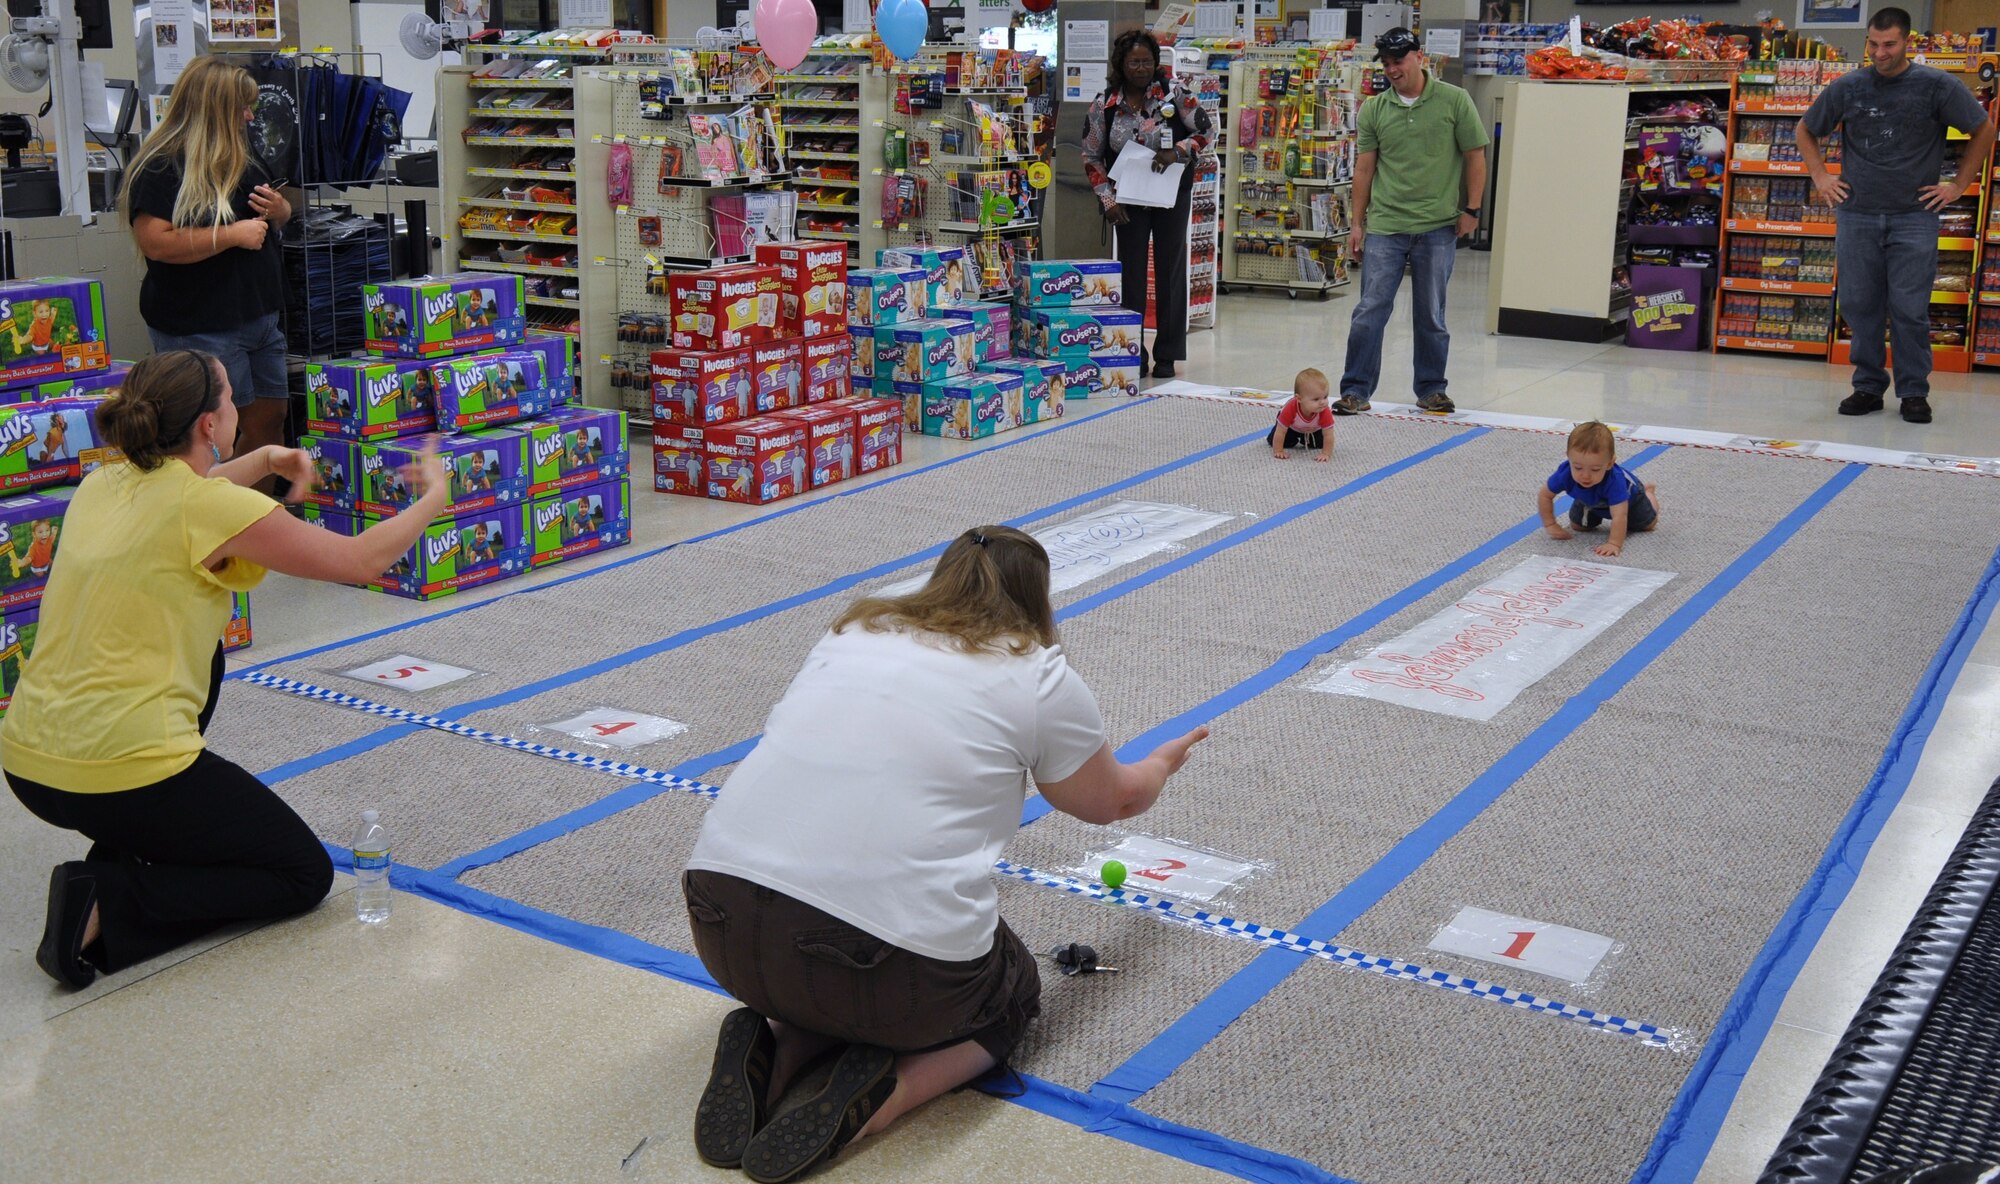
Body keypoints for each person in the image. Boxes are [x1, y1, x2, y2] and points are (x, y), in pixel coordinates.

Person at [681, 526, 1209, 1184]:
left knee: (834, 944)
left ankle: (779, 1050)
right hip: (878, 967)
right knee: (1008, 988)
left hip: (719, 923)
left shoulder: (855, 630)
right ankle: (882, 1098)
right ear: (1034, 602)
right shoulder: (1037, 674)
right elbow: (1113, 802)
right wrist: (1161, 762)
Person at [4, 350, 456, 990]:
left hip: (29, 765)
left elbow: (197, 496)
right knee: (301, 874)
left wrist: (269, 461)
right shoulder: (207, 509)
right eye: (228, 397)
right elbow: (361, 561)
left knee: (203, 655)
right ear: (210, 427)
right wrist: (435, 495)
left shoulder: (103, 482)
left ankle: (130, 844)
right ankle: (108, 899)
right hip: (119, 768)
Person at [1798, 7, 1997, 425]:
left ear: (1907, 42)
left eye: (1888, 44)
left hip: (1914, 216)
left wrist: (1958, 185)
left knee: (1909, 308)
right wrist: (1820, 174)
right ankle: (1868, 387)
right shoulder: (1848, 86)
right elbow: (1806, 129)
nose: (1879, 52)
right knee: (1858, 303)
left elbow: (1984, 129)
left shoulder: (1936, 86)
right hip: (1857, 214)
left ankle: (1913, 393)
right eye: (1873, 43)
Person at [120, 56, 298, 490]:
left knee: (270, 419)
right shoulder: (162, 166)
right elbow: (157, 242)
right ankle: (216, 533)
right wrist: (232, 235)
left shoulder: (243, 155)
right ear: (213, 107)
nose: (250, 116)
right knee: (212, 440)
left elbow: (279, 212)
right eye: (242, 106)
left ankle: (257, 527)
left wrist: (281, 211)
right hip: (199, 325)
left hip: (259, 319)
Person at [1333, 29, 1489, 417]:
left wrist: (1471, 210)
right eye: (1385, 64)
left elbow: (1475, 156)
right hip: (1386, 225)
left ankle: (1432, 389)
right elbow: (1364, 169)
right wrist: (1357, 223)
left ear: (1419, 57)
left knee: (1431, 313)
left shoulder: (1456, 100)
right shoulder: (1374, 109)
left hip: (1438, 226)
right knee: (1370, 310)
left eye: (1398, 62)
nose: (1392, 70)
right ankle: (1355, 389)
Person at [1079, 29, 1215, 380]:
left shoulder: (1175, 95)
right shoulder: (1104, 104)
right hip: (1127, 200)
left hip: (1171, 195)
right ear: (1121, 65)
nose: (1141, 68)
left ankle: (1167, 355)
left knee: (1170, 270)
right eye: (1133, 62)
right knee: (1131, 275)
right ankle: (1131, 350)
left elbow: (1205, 131)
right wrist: (1107, 200)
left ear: (1156, 63)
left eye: (1147, 61)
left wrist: (1178, 152)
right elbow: (1091, 156)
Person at [1537, 421, 1659, 560]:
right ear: (1568, 458)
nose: (1585, 476)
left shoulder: (1615, 481)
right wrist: (1550, 524)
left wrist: (1614, 543)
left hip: (1630, 501)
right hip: (1589, 500)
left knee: (1648, 524)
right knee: (1579, 526)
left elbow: (1620, 516)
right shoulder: (1564, 473)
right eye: (1577, 467)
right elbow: (1544, 495)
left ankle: (1649, 495)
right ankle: (1592, 506)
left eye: (1595, 469)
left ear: (1609, 464)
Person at [1268, 367, 1336, 462]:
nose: (1323, 402)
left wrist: (1326, 454)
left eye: (1325, 397)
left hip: (1313, 429)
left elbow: (1329, 435)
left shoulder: (1324, 410)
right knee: (1276, 441)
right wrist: (1278, 450)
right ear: (1299, 399)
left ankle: (1305, 439)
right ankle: (1295, 438)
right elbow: (1281, 431)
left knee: (1319, 444)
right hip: (1292, 427)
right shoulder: (1290, 408)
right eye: (1316, 399)